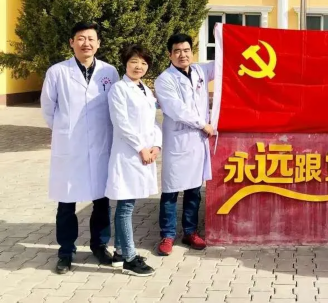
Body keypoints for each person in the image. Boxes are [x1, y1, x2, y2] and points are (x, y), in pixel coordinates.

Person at [40, 22, 120, 274]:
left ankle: (99, 246)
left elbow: (116, 106)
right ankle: (66, 252)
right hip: (70, 147)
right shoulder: (57, 72)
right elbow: (48, 109)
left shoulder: (109, 72)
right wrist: (65, 130)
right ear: (71, 42)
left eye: (91, 39)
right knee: (66, 203)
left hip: (101, 145)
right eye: (81, 38)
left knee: (101, 201)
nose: (86, 43)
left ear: (98, 43)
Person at [154, 33, 215, 256]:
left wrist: (228, 37)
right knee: (171, 191)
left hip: (197, 142)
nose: (183, 55)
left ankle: (190, 232)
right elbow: (177, 109)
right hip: (178, 141)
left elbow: (222, 63)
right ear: (170, 54)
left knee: (193, 190)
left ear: (192, 52)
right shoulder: (164, 80)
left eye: (186, 50)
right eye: (177, 51)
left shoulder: (200, 71)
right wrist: (203, 124)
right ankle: (167, 235)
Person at [105, 45, 161, 276]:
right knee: (126, 206)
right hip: (128, 154)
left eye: (144, 63)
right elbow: (121, 124)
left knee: (128, 203)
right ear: (125, 64)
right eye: (134, 62)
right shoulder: (119, 89)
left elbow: (152, 121)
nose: (139, 66)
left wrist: (156, 145)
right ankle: (129, 258)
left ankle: (120, 252)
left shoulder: (145, 90)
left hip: (144, 154)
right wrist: (141, 148)